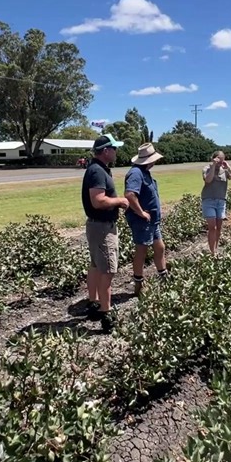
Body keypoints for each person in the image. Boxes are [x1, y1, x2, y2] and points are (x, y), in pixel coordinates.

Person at [81, 134, 129, 333]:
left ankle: (93, 303)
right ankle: (106, 313)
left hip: (96, 226)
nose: (117, 152)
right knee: (107, 270)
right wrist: (120, 201)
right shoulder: (98, 171)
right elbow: (98, 201)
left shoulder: (96, 169)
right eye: (114, 148)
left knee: (95, 266)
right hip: (102, 227)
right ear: (106, 150)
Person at [124, 143, 167, 295]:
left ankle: (164, 277)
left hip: (152, 221)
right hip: (142, 221)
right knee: (141, 251)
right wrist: (141, 212)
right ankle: (138, 285)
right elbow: (130, 195)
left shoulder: (145, 172)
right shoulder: (136, 173)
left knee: (159, 247)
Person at [201, 150, 231, 254]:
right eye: (218, 160)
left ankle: (216, 247)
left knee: (218, 227)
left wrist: (229, 168)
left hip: (221, 201)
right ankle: (212, 251)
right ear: (213, 158)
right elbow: (208, 180)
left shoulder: (225, 170)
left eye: (222, 160)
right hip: (208, 200)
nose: (220, 162)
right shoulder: (207, 168)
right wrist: (214, 166)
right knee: (212, 226)